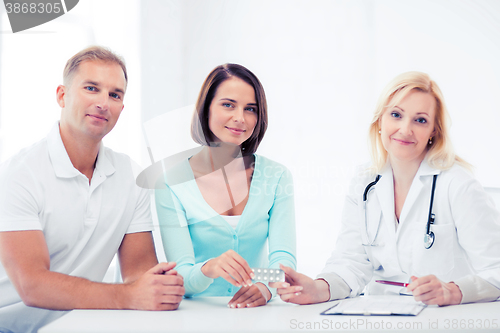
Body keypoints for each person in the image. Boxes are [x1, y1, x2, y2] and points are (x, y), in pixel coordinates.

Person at [270, 71, 500, 306]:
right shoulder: (364, 182)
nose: (405, 129)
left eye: (420, 120)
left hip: (441, 320)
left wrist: (453, 291)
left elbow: (496, 270)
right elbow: (351, 262)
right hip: (381, 317)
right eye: (396, 115)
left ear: (434, 131)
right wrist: (318, 289)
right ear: (380, 121)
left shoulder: (458, 185)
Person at [0, 46, 184, 333]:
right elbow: (31, 284)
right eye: (91, 88)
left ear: (122, 108)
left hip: (82, 325)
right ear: (62, 95)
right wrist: (129, 296)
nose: (103, 103)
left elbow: (138, 274)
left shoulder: (129, 175)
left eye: (115, 95)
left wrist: (160, 284)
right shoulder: (19, 174)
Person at [155, 63, 296, 309]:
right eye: (228, 104)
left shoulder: (277, 177)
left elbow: (283, 262)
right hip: (195, 317)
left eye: (250, 109)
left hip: (255, 317)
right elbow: (182, 279)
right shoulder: (170, 182)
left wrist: (265, 288)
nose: (240, 118)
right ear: (206, 108)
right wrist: (210, 268)